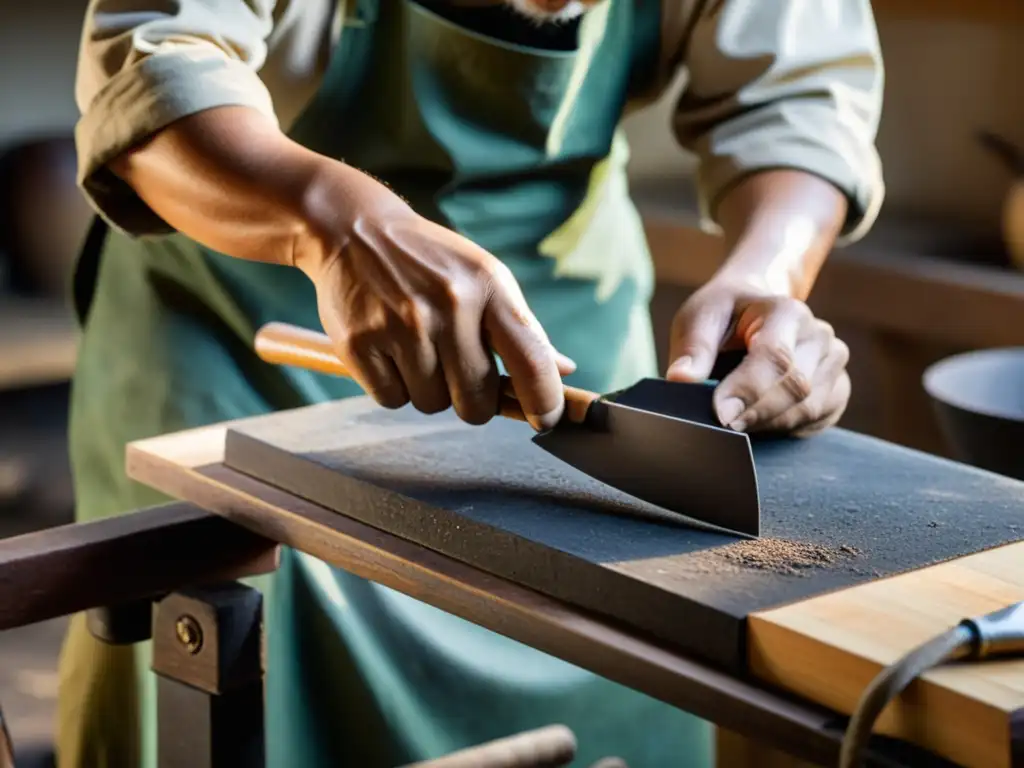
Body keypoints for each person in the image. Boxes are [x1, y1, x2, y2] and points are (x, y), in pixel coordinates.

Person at [60, 0, 884, 765]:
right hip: (241, 327)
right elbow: (153, 59)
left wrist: (769, 271)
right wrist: (334, 221)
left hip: (559, 328)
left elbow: (798, 95)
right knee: (251, 654)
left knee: (633, 636)